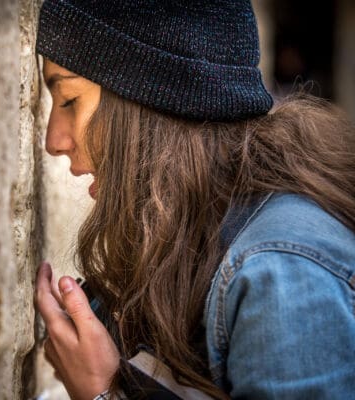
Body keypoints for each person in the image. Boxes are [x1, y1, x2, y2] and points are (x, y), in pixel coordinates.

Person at [32, 1, 355, 399]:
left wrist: (101, 391)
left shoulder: (281, 271)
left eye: (69, 101)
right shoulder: (203, 238)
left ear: (155, 101)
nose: (53, 141)